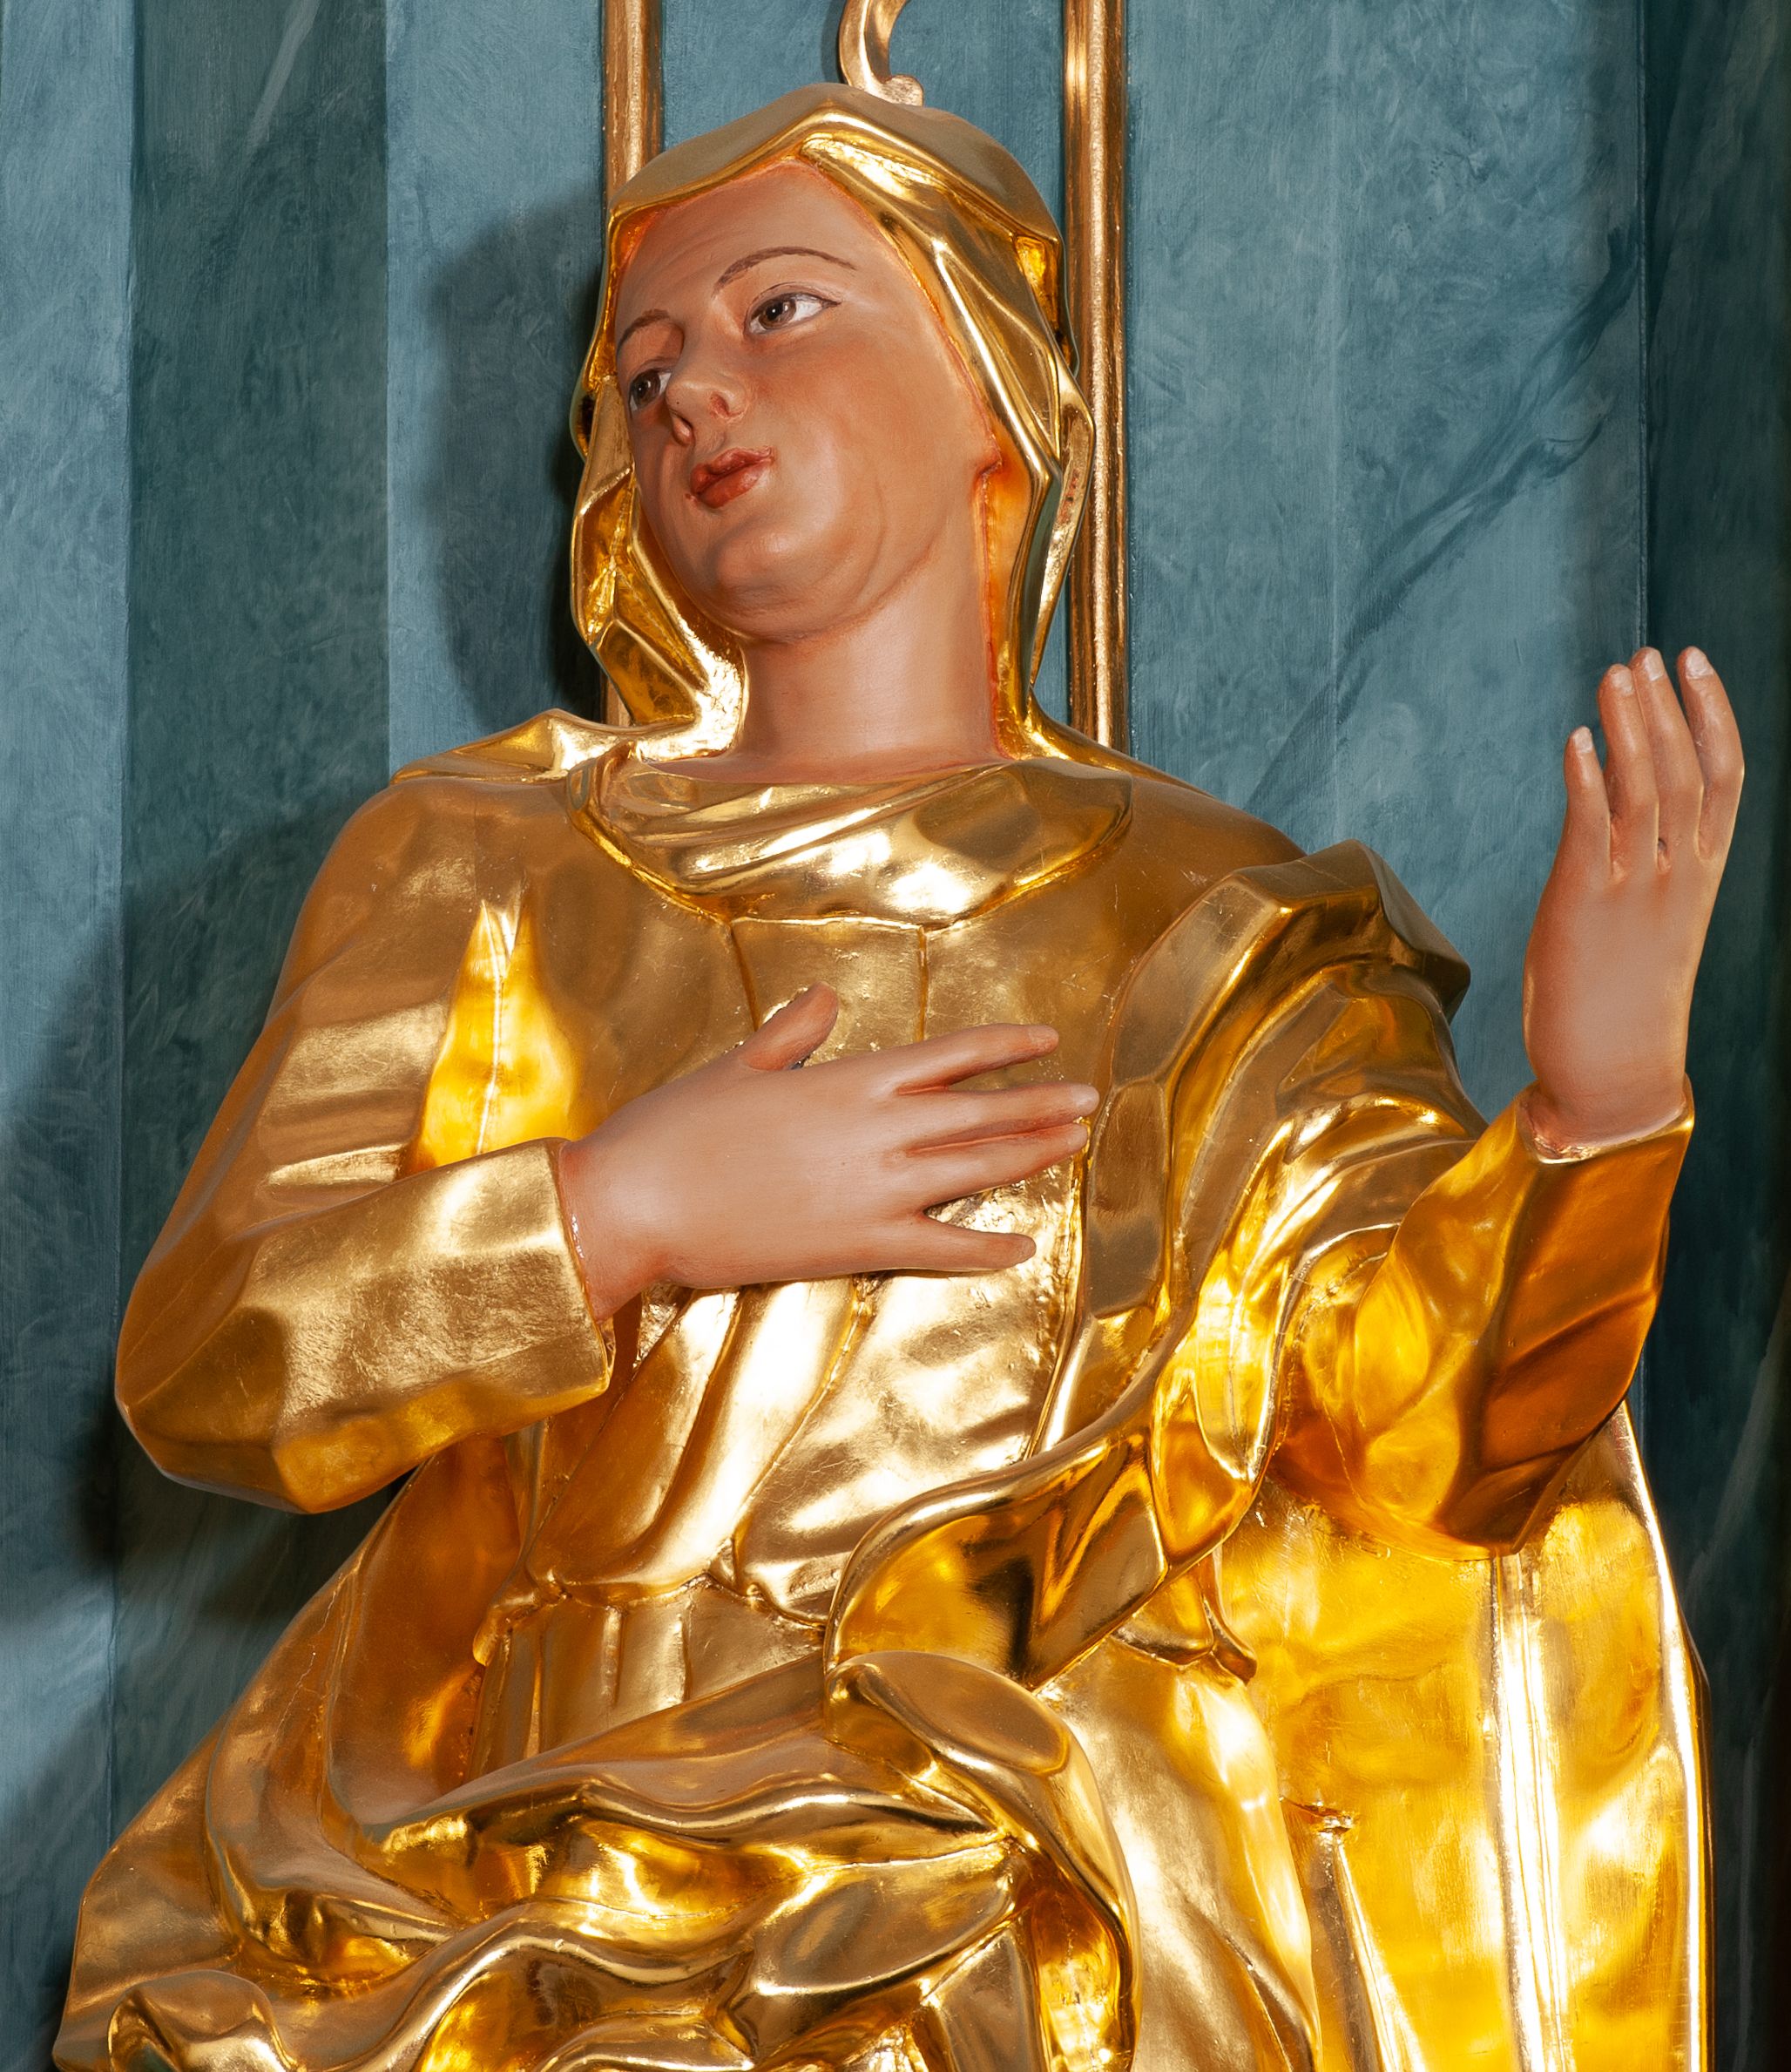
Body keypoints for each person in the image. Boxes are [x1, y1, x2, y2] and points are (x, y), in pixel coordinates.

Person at [57, 85, 1740, 2072]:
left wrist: (1591, 1114)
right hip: (549, 1880)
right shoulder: (485, 860)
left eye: (779, 311)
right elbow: (212, 1360)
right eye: (643, 371)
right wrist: (617, 1212)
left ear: (988, 392)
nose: (692, 393)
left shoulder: (1211, 924)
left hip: (1035, 1906)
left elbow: (1417, 1447)